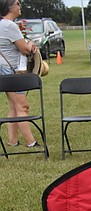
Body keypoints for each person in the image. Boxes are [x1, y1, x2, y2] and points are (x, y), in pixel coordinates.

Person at [0, 0, 39, 148]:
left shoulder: (2, 24)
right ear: (10, 7)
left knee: (13, 107)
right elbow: (25, 50)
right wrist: (30, 44)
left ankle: (13, 141)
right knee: (23, 107)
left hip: (3, 69)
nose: (20, 6)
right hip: (12, 71)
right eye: (17, 3)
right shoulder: (10, 25)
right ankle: (31, 142)